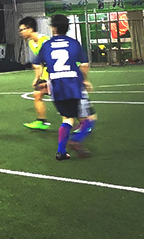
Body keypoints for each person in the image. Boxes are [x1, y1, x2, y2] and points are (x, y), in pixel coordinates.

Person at [33, 15, 96, 160]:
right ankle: (76, 140)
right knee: (90, 118)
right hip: (74, 85)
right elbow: (84, 65)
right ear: (67, 28)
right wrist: (85, 80)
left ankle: (61, 152)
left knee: (67, 119)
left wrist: (38, 79)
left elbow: (38, 64)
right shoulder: (74, 43)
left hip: (56, 87)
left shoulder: (46, 45)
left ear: (53, 28)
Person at [19, 17, 52, 130]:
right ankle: (41, 121)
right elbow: (39, 63)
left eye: (22, 29)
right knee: (37, 94)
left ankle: (85, 121)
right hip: (46, 74)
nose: (21, 32)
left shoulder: (45, 41)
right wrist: (38, 77)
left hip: (55, 73)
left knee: (64, 100)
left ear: (30, 28)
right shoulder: (31, 43)